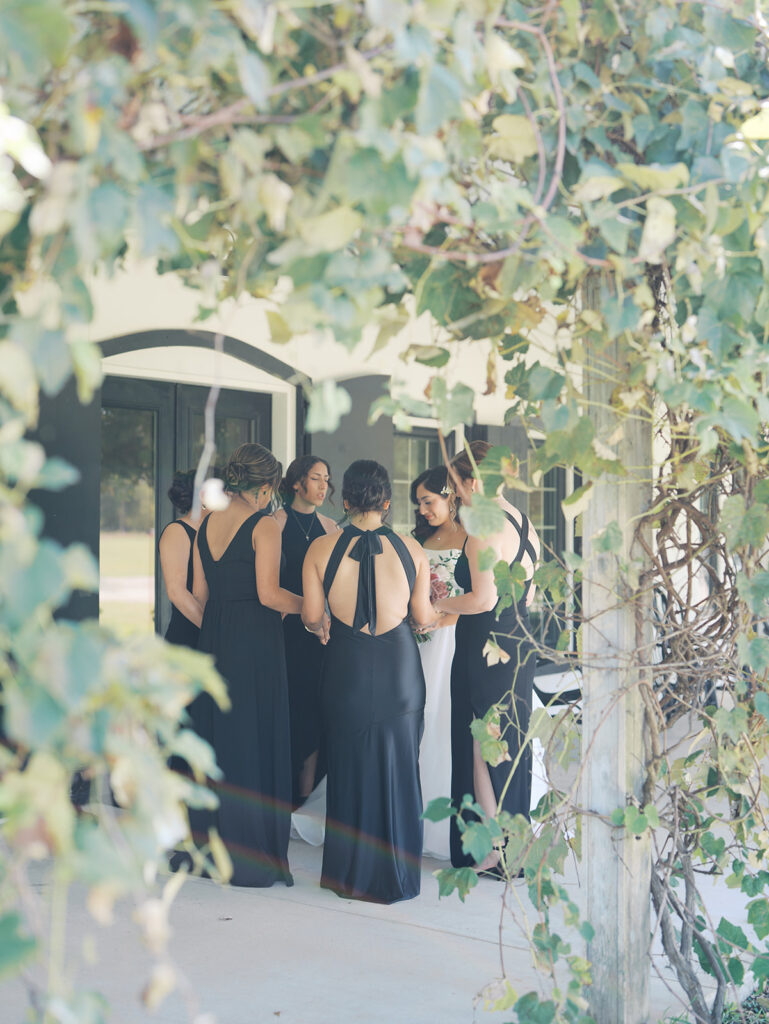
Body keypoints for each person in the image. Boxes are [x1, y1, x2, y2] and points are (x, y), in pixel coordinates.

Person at [301, 460, 436, 903]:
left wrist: (322, 626)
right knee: (400, 767)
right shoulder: (413, 550)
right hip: (398, 667)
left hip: (346, 666)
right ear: (387, 501)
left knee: (348, 765)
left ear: (345, 501)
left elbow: (310, 617)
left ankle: (348, 876)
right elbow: (422, 619)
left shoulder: (321, 549)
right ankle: (396, 877)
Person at [189, 443, 300, 887]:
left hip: (214, 638)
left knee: (220, 737)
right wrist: (317, 605)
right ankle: (250, 852)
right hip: (255, 642)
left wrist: (219, 627)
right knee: (253, 736)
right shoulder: (265, 526)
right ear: (268, 487)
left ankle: (214, 846)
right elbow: (270, 594)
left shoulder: (205, 523)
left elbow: (200, 594)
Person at [431, 441, 540, 875]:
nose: (455, 496)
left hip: (487, 642)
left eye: (456, 487)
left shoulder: (481, 528)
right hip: (520, 637)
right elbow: (526, 591)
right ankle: (517, 843)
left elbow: (480, 599)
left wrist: (439, 606)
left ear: (474, 481)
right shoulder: (522, 520)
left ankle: (495, 851)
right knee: (510, 742)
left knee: (482, 744)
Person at [274, 456, 339, 807]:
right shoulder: (275, 523)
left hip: (322, 634)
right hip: (286, 633)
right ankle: (283, 789)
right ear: (297, 481)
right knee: (290, 709)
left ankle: (307, 792)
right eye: (316, 478)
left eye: (327, 479)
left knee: (317, 709)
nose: (323, 486)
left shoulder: (331, 527)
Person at [410, 466, 466, 860]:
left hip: (453, 639)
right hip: (418, 640)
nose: (424, 510)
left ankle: (444, 820)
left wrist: (444, 616)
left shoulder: (474, 540)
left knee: (445, 719)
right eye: (419, 504)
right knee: (419, 718)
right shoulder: (419, 540)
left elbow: (482, 596)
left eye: (429, 501)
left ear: (452, 497)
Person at [159, 469, 207, 648]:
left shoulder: (215, 533)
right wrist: (213, 631)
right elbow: (176, 592)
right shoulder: (177, 531)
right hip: (187, 639)